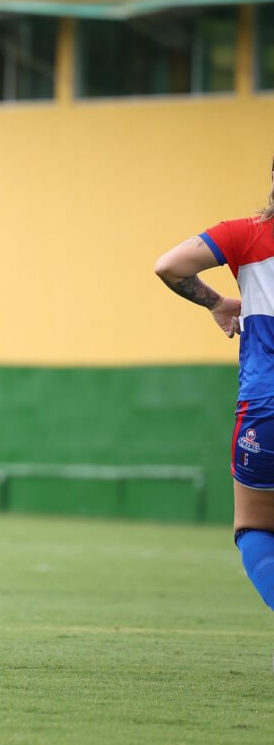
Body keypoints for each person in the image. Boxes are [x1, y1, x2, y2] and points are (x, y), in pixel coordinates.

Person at [154, 163, 274, 628]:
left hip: (265, 406)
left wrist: (217, 302)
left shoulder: (245, 234)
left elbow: (169, 266)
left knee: (256, 526)